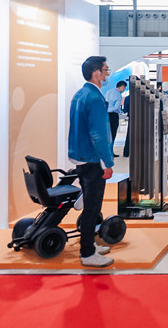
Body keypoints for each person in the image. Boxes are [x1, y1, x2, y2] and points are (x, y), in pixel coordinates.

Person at [68, 56, 115, 268]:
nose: (107, 74)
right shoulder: (95, 98)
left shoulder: (80, 94)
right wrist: (107, 163)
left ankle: (89, 245)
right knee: (92, 207)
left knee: (91, 205)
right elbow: (99, 134)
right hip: (93, 159)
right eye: (105, 70)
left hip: (81, 156)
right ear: (96, 72)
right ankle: (87, 253)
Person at [104, 80, 126, 157]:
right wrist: (118, 111)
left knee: (107, 134)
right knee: (113, 134)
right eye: (124, 88)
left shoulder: (108, 92)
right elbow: (116, 107)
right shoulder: (118, 95)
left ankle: (106, 152)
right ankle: (110, 152)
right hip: (113, 115)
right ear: (122, 86)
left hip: (106, 115)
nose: (124, 90)